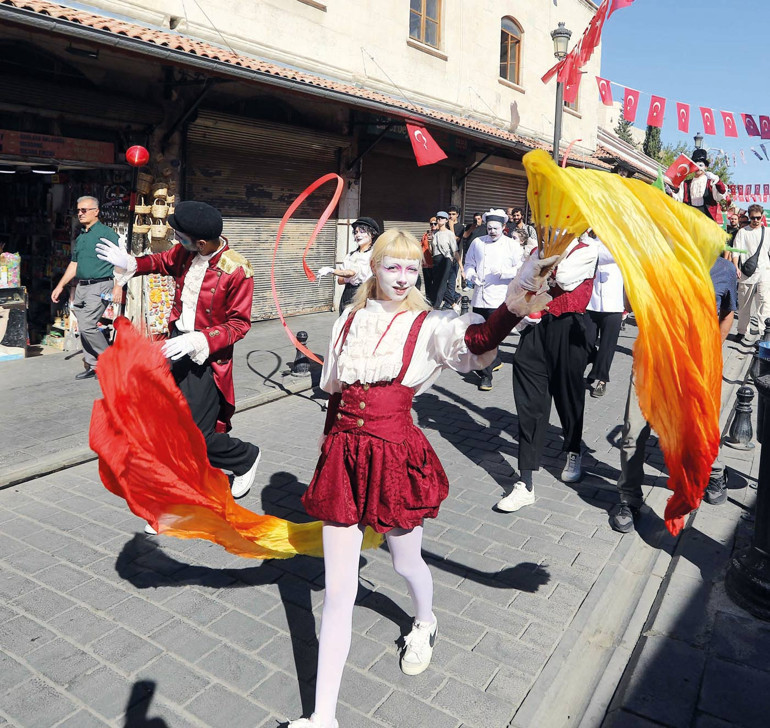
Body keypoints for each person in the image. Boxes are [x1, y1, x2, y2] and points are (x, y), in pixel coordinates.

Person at [289, 228, 556, 728]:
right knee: (338, 590)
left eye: (412, 268)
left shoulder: (430, 323)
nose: (402, 277)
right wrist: (327, 456)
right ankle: (323, 717)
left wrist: (519, 297)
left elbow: (479, 340)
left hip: (394, 459)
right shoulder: (348, 320)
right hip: (344, 458)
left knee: (405, 561)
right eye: (392, 266)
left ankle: (426, 621)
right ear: (373, 268)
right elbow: (335, 396)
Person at [95, 201, 261, 507]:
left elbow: (239, 324)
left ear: (201, 242)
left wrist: (200, 339)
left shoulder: (237, 270)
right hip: (175, 345)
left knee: (197, 434)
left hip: (206, 357)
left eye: (181, 237)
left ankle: (244, 457)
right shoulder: (186, 253)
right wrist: (132, 263)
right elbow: (161, 261)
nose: (176, 241)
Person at [609, 247, 738, 533]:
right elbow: (631, 304)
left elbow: (727, 313)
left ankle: (714, 472)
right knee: (633, 433)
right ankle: (629, 498)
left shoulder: (723, 269)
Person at [497, 233, 599, 512]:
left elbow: (564, 279)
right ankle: (525, 482)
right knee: (529, 405)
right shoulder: (537, 250)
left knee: (568, 397)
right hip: (536, 329)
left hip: (570, 328)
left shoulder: (586, 250)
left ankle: (573, 449)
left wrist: (542, 264)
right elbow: (523, 283)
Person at [51, 196, 122, 379]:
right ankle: (94, 365)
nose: (80, 214)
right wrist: (60, 285)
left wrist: (118, 286)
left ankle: (111, 361)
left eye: (84, 210)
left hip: (100, 285)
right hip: (82, 286)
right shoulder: (82, 236)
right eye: (78, 210)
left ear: (96, 212)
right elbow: (74, 264)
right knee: (82, 326)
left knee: (88, 325)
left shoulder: (107, 234)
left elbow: (122, 261)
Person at [464, 208, 523, 391]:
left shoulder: (511, 245)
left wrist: (504, 273)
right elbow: (469, 264)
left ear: (503, 227)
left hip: (499, 297)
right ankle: (494, 361)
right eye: (489, 228)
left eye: (496, 228)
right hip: (479, 296)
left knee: (490, 337)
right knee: (480, 334)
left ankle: (486, 375)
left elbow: (521, 269)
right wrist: (472, 276)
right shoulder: (477, 243)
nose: (492, 231)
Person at [584, 232, 625, 398]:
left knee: (607, 345)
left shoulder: (620, 243)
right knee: (586, 340)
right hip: (591, 303)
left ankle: (601, 380)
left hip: (614, 305)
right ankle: (595, 362)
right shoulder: (589, 243)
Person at [732, 204, 768, 345]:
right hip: (746, 275)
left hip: (764, 274)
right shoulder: (743, 232)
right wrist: (736, 266)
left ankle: (763, 333)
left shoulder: (768, 232)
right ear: (749, 217)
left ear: (762, 216)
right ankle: (742, 331)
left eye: (758, 217)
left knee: (764, 304)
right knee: (744, 305)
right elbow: (736, 251)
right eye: (753, 218)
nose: (756, 220)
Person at [332, 217, 379, 314]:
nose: (358, 235)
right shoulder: (350, 256)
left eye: (362, 231)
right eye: (356, 232)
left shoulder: (375, 255)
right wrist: (348, 276)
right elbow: (340, 280)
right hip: (348, 294)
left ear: (372, 234)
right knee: (345, 319)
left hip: (366, 293)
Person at [672, 148, 726, 222]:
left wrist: (717, 181)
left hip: (707, 220)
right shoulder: (685, 184)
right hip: (690, 218)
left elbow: (722, 192)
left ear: (706, 167)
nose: (698, 168)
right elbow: (678, 199)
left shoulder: (710, 182)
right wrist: (670, 192)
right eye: (695, 165)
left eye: (701, 165)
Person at [427, 211, 460, 309]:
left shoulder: (449, 234)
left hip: (446, 260)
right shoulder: (435, 234)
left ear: (446, 220)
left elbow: (455, 251)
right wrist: (429, 241)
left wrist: (461, 267)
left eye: (442, 218)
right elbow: (431, 251)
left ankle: (435, 306)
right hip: (436, 260)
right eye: (438, 218)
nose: (439, 219)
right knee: (436, 283)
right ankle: (453, 302)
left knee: (441, 283)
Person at [419, 216, 436, 295]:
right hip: (426, 263)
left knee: (436, 284)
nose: (433, 225)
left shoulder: (439, 234)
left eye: (435, 223)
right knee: (427, 284)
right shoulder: (425, 235)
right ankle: (428, 299)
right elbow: (421, 246)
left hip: (436, 264)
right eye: (431, 224)